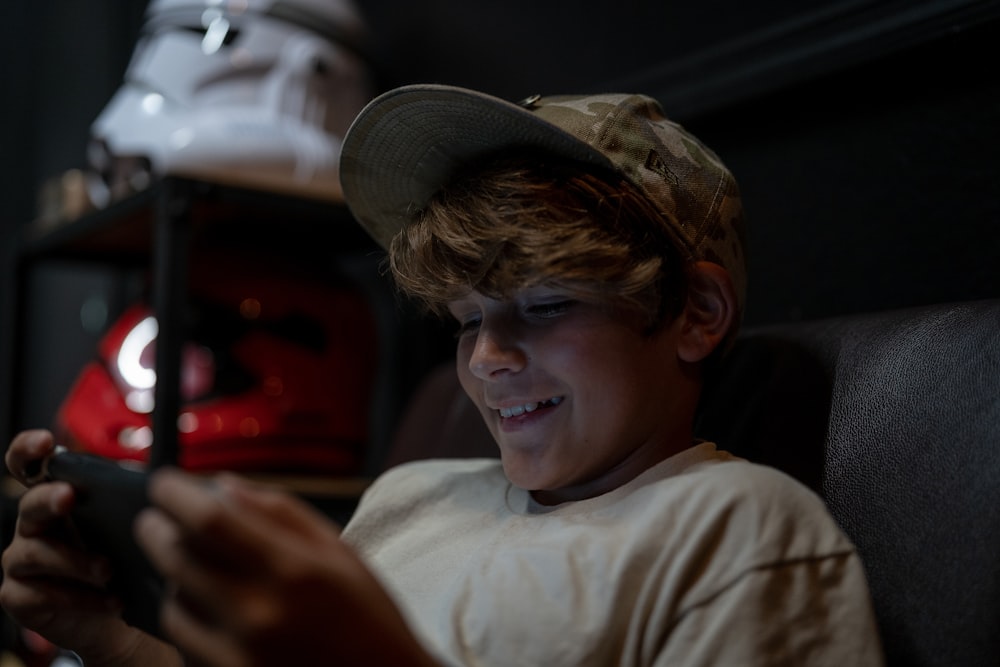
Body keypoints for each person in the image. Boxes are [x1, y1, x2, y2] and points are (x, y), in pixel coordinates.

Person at [0, 84, 885, 666]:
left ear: (695, 314)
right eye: (466, 321)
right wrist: (103, 635)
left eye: (542, 307)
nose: (489, 358)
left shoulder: (739, 534)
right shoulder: (411, 496)